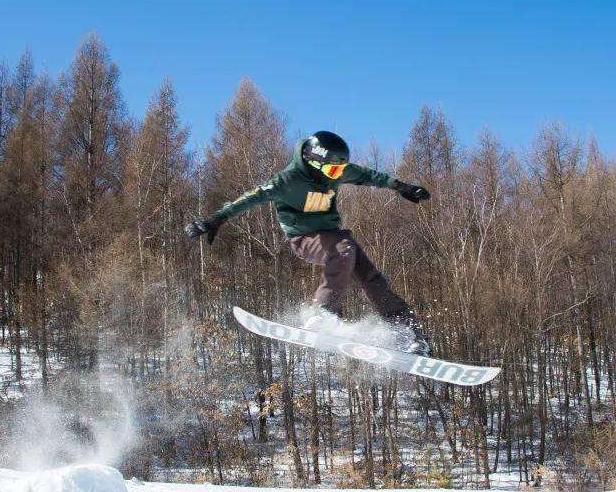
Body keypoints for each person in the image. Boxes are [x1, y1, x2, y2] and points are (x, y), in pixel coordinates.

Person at [185, 130, 432, 355]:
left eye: (340, 171)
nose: (337, 175)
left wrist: (402, 187)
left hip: (334, 238)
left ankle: (407, 334)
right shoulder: (287, 181)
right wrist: (214, 220)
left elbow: (369, 175)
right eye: (333, 171)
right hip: (304, 239)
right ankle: (324, 314)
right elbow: (251, 198)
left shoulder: (336, 170)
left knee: (371, 278)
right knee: (344, 247)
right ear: (315, 163)